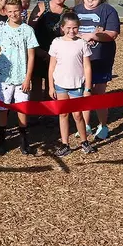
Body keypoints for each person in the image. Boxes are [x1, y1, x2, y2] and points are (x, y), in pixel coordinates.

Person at [0, 0, 37, 155]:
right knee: (3, 109)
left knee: (22, 109)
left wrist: (28, 78)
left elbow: (31, 55)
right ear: (5, 12)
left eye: (16, 11)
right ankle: (1, 141)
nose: (13, 14)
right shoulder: (0, 30)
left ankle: (24, 140)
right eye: (10, 11)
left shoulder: (27, 30)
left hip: (21, 77)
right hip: (4, 78)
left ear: (22, 10)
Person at [74, 0, 121, 140]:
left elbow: (112, 34)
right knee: (83, 91)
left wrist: (94, 35)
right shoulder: (76, 10)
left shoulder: (108, 11)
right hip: (79, 59)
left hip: (100, 57)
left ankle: (103, 124)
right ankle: (86, 125)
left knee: (98, 93)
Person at [48, 12, 95, 156]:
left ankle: (84, 141)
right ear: (62, 28)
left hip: (76, 85)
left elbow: (87, 67)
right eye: (68, 27)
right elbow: (51, 67)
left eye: (75, 28)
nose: (71, 31)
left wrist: (87, 87)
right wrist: (51, 86)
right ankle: (65, 144)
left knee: (77, 115)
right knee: (63, 114)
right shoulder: (56, 42)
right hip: (61, 85)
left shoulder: (81, 43)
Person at [29, 0, 71, 98]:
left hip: (55, 54)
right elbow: (30, 28)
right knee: (36, 84)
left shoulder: (68, 12)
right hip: (38, 50)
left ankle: (49, 112)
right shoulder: (42, 6)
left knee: (51, 84)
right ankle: (35, 112)